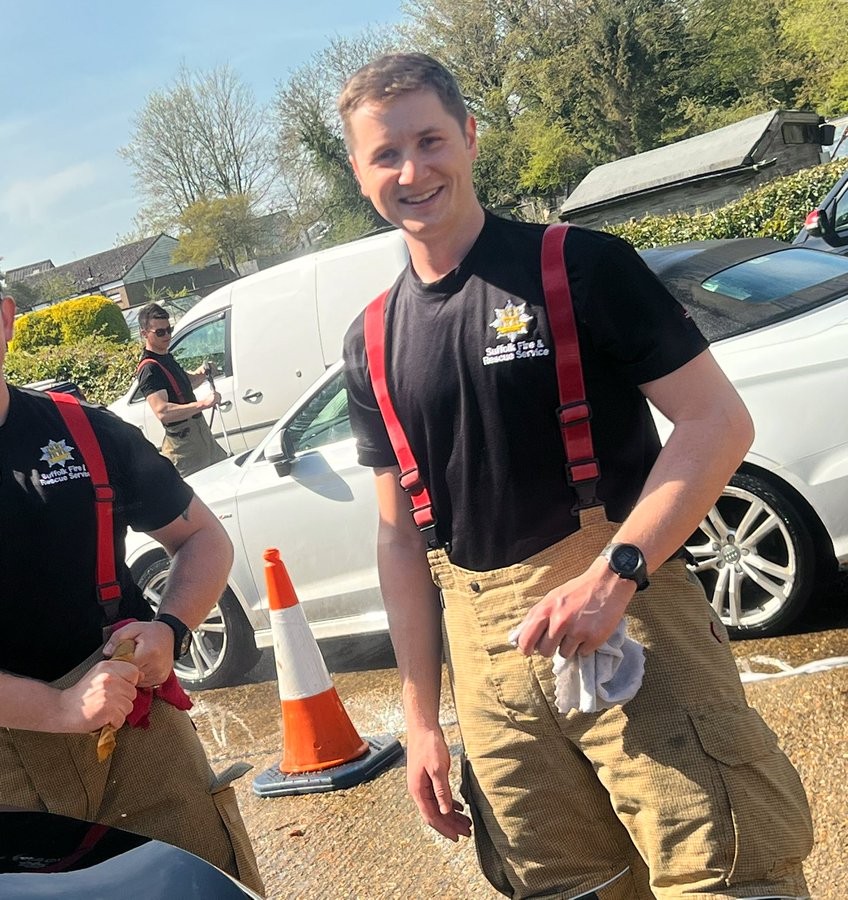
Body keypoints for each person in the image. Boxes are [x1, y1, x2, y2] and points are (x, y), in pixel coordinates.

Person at [339, 53, 812, 899]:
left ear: (470, 136)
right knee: (563, 889)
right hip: (485, 664)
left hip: (628, 617)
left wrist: (616, 573)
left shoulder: (580, 266)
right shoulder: (370, 338)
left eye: (431, 140)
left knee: (729, 875)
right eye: (386, 154)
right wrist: (420, 723)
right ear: (358, 170)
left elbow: (717, 423)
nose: (413, 171)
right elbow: (399, 544)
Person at [0, 228, 262, 895]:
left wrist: (169, 630)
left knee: (200, 885)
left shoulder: (86, 431)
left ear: (5, 317)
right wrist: (60, 709)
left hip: (138, 731)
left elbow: (204, 539)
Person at [134, 303, 229, 476]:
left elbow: (185, 384)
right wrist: (202, 404)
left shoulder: (166, 357)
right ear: (144, 334)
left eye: (168, 329)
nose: (167, 335)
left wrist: (202, 373)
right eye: (160, 332)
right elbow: (163, 411)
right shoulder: (149, 369)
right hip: (183, 447)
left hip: (202, 437)